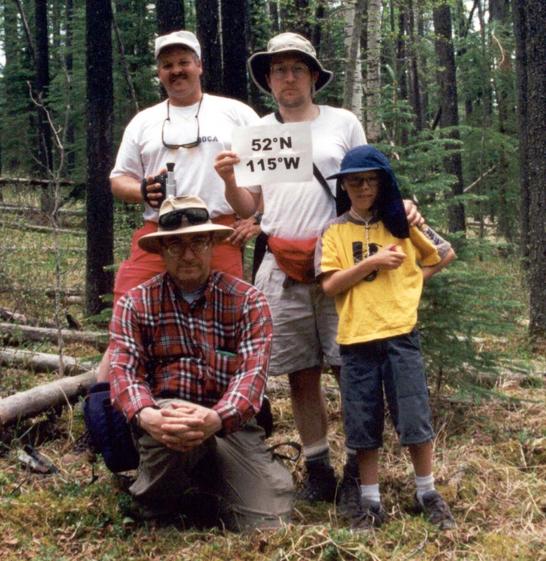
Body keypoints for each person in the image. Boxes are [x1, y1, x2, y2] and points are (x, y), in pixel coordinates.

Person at [214, 32, 423, 510]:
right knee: (300, 375)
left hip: (341, 265)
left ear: (312, 76)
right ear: (268, 79)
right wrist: (228, 180)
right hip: (282, 265)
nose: (288, 78)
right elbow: (252, 203)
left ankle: (357, 466)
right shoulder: (258, 135)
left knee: (352, 370)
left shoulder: (342, 122)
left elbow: (370, 179)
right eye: (279, 70)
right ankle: (318, 469)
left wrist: (402, 203)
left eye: (297, 69)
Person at [108, 195, 294, 530]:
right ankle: (157, 502)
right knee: (173, 428)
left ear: (212, 244)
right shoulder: (135, 304)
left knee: (270, 522)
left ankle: (208, 487)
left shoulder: (248, 301)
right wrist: (146, 414)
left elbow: (252, 377)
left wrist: (217, 417)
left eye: (197, 242)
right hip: (165, 420)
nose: (188, 254)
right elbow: (124, 371)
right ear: (162, 250)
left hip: (229, 424)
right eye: (175, 245)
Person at [96, 30, 260, 383]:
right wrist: (142, 189)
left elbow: (267, 175)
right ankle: (107, 399)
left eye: (184, 62)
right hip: (159, 233)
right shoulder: (144, 121)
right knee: (128, 311)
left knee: (227, 318)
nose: (176, 70)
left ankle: (235, 404)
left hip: (217, 232)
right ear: (159, 73)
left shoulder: (236, 113)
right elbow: (118, 180)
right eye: (167, 65)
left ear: (199, 66)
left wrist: (259, 218)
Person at [315, 145, 456, 530]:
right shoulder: (334, 231)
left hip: (400, 335)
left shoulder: (400, 221)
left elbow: (444, 253)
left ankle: (427, 491)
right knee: (363, 421)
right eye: (355, 181)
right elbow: (330, 284)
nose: (363, 187)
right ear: (343, 185)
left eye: (370, 180)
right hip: (357, 338)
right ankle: (370, 500)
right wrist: (372, 263)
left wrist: (410, 284)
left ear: (382, 183)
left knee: (413, 415)